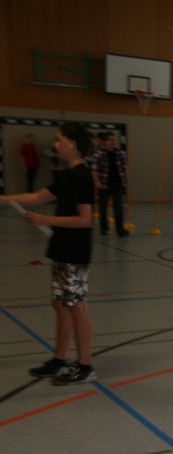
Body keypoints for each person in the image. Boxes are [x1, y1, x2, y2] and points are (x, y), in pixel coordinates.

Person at [0, 122, 98, 385]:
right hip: (60, 249)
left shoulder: (82, 176)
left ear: (72, 144)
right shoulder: (66, 175)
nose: (55, 144)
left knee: (76, 306)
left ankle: (85, 366)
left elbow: (85, 219)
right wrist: (4, 199)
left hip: (75, 252)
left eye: (59, 139)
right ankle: (60, 359)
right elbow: (37, 197)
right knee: (60, 305)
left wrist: (45, 219)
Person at [91, 132, 129, 236]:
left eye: (114, 140)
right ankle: (104, 228)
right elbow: (94, 169)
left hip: (118, 183)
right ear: (106, 141)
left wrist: (126, 183)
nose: (113, 142)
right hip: (104, 183)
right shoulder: (99, 154)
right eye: (110, 140)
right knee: (102, 207)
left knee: (118, 207)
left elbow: (125, 169)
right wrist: (96, 181)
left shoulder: (120, 153)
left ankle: (120, 229)